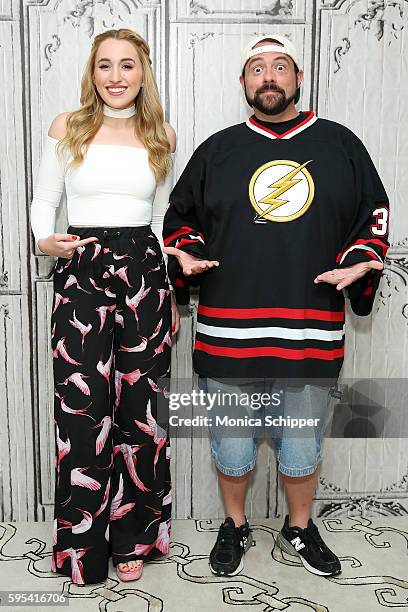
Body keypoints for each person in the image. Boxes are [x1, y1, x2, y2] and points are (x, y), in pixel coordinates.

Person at [163, 34, 389, 578]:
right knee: (234, 447)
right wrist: (185, 256)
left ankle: (299, 527)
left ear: (298, 79)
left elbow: (372, 214)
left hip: (309, 327)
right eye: (257, 67)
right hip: (227, 330)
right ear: (243, 83)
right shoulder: (217, 150)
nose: (269, 76)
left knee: (301, 447)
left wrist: (361, 259)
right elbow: (180, 220)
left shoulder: (340, 145)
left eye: (280, 66)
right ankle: (235, 526)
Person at [30, 28, 179, 585]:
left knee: (142, 412)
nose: (116, 77)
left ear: (143, 73)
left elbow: (162, 219)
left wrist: (173, 277)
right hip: (81, 266)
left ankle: (135, 539)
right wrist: (46, 239)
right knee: (82, 414)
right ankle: (81, 549)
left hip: (145, 267)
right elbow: (45, 199)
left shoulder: (160, 132)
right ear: (92, 75)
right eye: (104, 66)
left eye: (127, 65)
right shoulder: (68, 127)